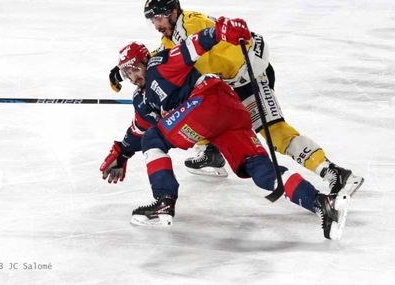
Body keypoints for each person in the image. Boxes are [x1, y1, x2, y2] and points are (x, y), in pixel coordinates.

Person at [100, 17, 350, 240]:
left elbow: (192, 46)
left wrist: (221, 31)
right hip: (228, 113)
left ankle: (164, 202)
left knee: (155, 138)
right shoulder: (142, 99)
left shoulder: (160, 64)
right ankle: (322, 203)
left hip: (207, 100)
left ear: (145, 60)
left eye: (134, 68)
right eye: (126, 73)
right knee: (260, 171)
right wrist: (121, 152)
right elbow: (138, 129)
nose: (132, 77)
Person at [109, 0, 363, 197]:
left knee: (272, 131)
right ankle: (212, 153)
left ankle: (333, 172)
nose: (156, 25)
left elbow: (204, 41)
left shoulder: (193, 24)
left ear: (173, 12)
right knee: (203, 107)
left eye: (158, 19)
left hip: (250, 77)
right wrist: (125, 70)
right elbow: (160, 60)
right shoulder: (170, 37)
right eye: (152, 21)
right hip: (227, 84)